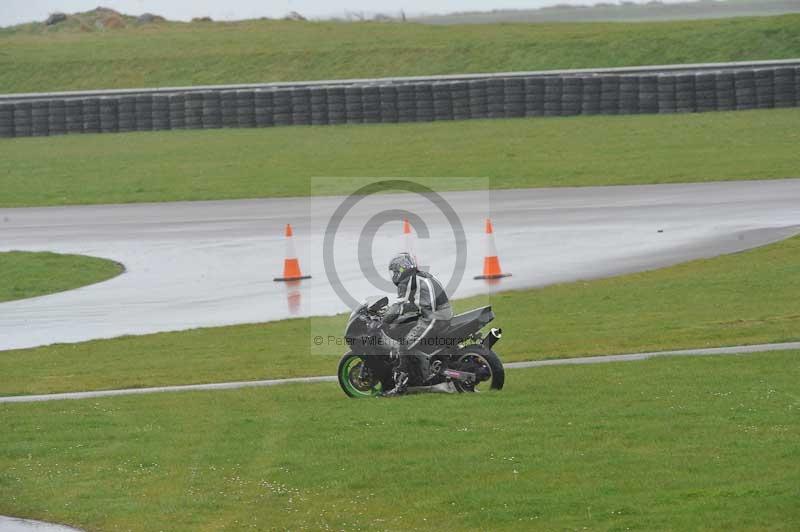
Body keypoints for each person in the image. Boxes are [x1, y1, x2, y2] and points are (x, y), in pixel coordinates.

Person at [381, 252, 453, 396]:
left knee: (405, 344)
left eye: (394, 271)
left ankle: (400, 387)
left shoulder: (408, 280)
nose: (394, 275)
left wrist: (385, 317)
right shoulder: (422, 275)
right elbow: (414, 303)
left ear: (401, 269)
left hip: (433, 318)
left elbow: (401, 306)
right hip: (443, 313)